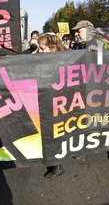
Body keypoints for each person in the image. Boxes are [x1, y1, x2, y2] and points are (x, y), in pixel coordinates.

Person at [38, 33, 65, 178]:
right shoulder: (40, 61)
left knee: (55, 136)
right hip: (45, 104)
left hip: (58, 107)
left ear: (53, 48)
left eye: (42, 48)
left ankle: (57, 166)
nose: (39, 52)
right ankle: (55, 163)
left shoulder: (64, 62)